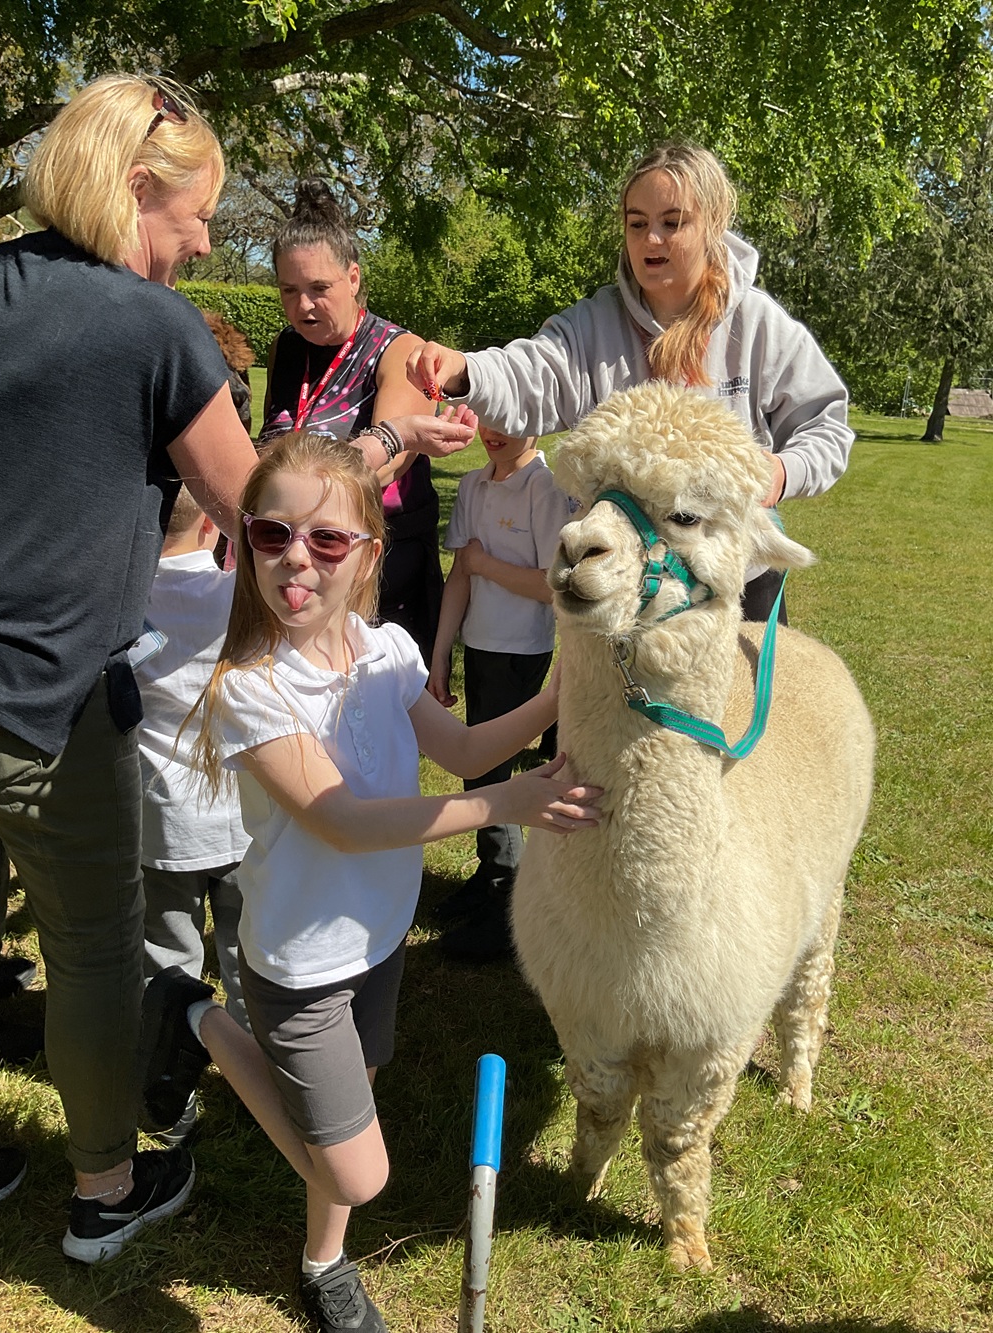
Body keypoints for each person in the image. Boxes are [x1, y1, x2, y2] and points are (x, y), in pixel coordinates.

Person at [0, 73, 473, 1259]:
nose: (207, 241)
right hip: (49, 701)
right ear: (131, 188)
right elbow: (263, 507)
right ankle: (105, 1188)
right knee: (93, 949)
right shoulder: (148, 324)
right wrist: (391, 436)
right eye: (196, 213)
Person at [143, 431, 601, 1333]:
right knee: (358, 1170)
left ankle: (324, 1262)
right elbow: (344, 821)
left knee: (354, 1107)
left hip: (381, 935)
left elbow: (461, 747)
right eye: (272, 534)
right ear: (245, 544)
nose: (297, 559)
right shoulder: (250, 688)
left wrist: (558, 696)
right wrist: (503, 803)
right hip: (300, 964)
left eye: (326, 540)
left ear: (367, 555)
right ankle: (194, 1016)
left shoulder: (383, 650)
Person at [407, 140, 855, 622]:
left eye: (672, 222)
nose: (651, 240)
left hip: (735, 589)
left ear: (712, 225)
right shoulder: (593, 326)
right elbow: (531, 373)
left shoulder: (759, 325)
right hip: (624, 585)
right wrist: (465, 371)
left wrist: (782, 473)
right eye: (637, 224)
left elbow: (826, 426)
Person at [260, 179, 447, 662]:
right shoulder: (285, 348)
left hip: (380, 570)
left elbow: (382, 466)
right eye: (288, 290)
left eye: (319, 289)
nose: (303, 306)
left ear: (354, 278)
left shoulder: (400, 351)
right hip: (294, 561)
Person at [427, 425, 573, 963]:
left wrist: (484, 563)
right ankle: (492, 873)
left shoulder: (546, 489)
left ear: (536, 422)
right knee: (479, 768)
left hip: (520, 650)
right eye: (487, 419)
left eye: (509, 422)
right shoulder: (472, 485)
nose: (494, 433)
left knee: (490, 770)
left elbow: (553, 585)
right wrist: (441, 652)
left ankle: (506, 897)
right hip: (479, 645)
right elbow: (459, 577)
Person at [136, 487, 251, 1050]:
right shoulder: (241, 596)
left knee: (165, 952)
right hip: (242, 810)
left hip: (162, 819)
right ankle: (259, 1063)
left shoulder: (126, 604)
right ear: (213, 524)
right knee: (249, 950)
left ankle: (168, 1062)